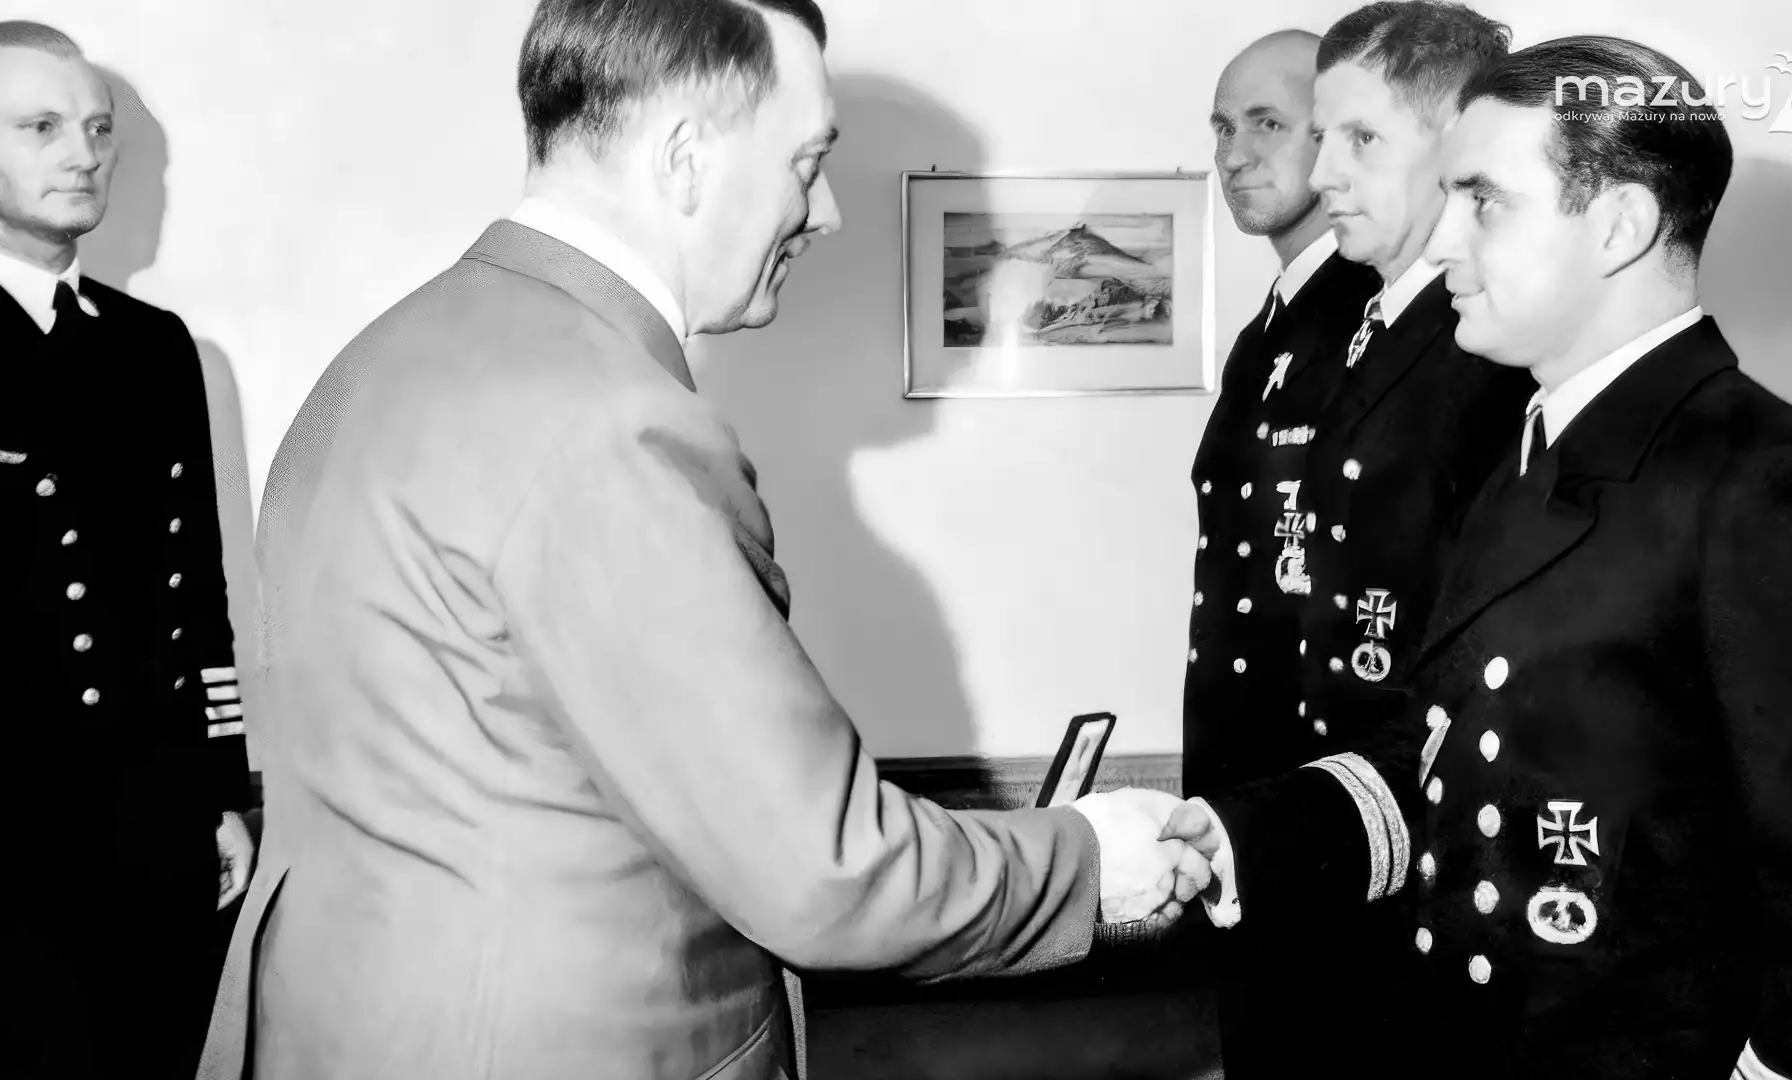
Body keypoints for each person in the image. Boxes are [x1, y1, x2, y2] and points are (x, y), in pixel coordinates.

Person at [196, 2, 1208, 1079]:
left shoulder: (377, 363)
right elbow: (826, 870)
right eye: (806, 162)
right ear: (685, 158)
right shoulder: (610, 420)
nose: (823, 211)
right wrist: (1088, 859)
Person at [1168, 34, 1792, 1080]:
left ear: (1619, 225)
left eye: (1484, 202)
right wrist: (1252, 835)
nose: (1446, 243)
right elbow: (1454, 753)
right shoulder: (1535, 457)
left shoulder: (1768, 479)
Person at [1184, 4, 1530, 1075]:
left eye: (1358, 139)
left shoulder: (1484, 347)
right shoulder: (1359, 324)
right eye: (1322, 137)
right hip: (1301, 813)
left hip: (1385, 835)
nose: (1326, 171)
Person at [0, 20, 255, 1080]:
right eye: (42, 127)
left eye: (99, 129)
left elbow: (198, 594)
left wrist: (224, 792)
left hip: (154, 818)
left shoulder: (155, 348)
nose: (84, 154)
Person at [1182, 24, 1383, 1079]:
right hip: (1251, 802)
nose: (1234, 154)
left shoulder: (1378, 320)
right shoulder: (1271, 329)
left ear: (1338, 138)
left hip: (1328, 807)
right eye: (1222, 127)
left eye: (1267, 123)